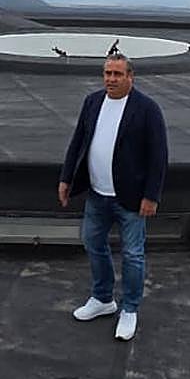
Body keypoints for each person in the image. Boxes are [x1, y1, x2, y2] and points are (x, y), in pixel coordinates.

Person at [58, 52, 168, 341]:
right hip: (97, 195)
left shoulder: (147, 109)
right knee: (93, 243)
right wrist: (66, 178)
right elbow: (78, 142)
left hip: (130, 199)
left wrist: (151, 196)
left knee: (132, 255)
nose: (111, 79)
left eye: (118, 74)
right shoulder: (92, 102)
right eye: (107, 73)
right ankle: (103, 298)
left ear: (131, 77)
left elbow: (158, 156)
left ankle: (130, 309)